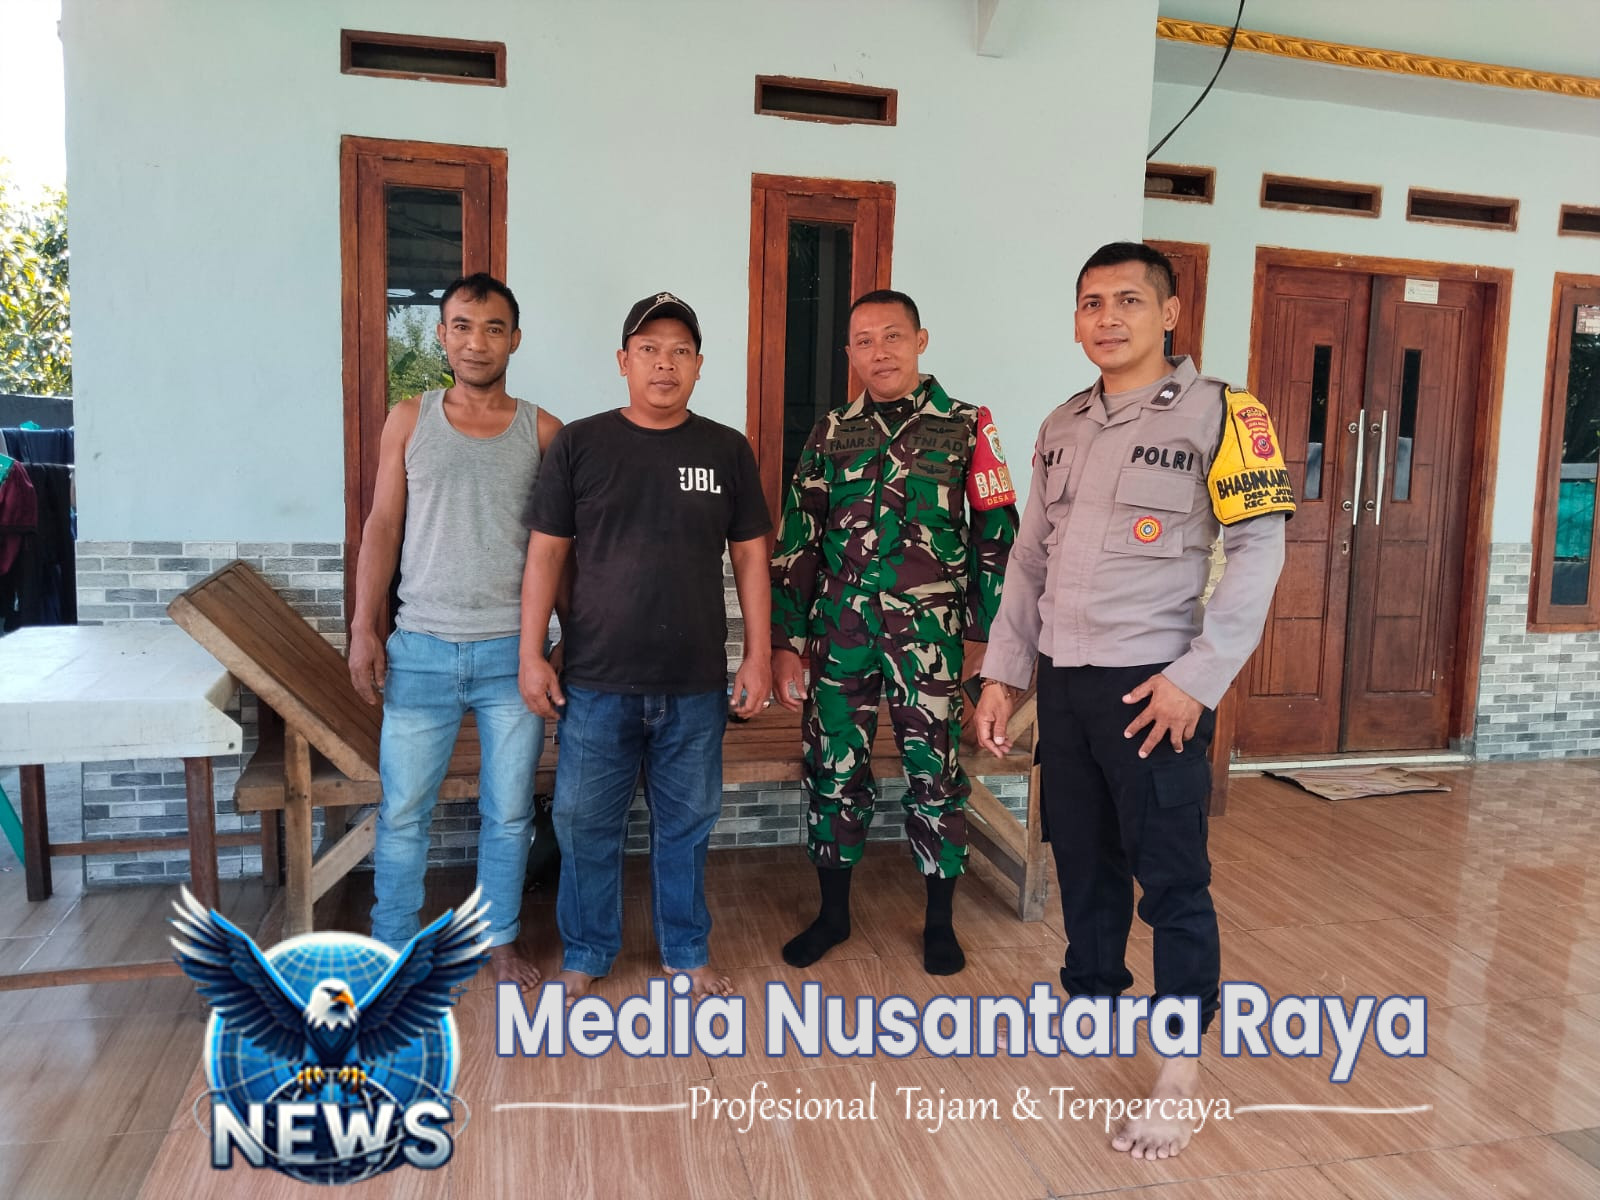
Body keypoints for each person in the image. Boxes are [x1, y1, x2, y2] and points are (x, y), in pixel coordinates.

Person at [974, 242, 1294, 1160]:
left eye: (1126, 300)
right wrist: (1003, 674)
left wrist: (1199, 678)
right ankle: (1097, 1009)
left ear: (1170, 313)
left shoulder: (1226, 414)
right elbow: (1028, 560)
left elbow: (1259, 552)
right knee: (1082, 862)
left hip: (1155, 685)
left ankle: (1180, 1070)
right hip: (1065, 684)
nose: (1106, 318)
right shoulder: (1062, 423)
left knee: (1173, 879)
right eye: (1090, 303)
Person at [520, 292, 772, 1001]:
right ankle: (586, 950)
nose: (665, 363)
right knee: (582, 823)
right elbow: (546, 553)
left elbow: (751, 556)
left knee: (686, 824)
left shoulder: (726, 449)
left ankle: (686, 951)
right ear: (624, 361)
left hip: (694, 682)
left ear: (699, 365)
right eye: (650, 350)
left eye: (680, 351)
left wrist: (757, 653)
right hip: (596, 680)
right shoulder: (581, 444)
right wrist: (532, 652)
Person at [771, 289, 1019, 976]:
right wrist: (787, 641)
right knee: (833, 770)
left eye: (892, 336)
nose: (878, 352)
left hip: (932, 638)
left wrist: (987, 636)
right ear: (849, 352)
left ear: (920, 340)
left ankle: (940, 921)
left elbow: (998, 537)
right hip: (839, 633)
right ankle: (833, 916)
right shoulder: (830, 431)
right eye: (863, 340)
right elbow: (799, 538)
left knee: (935, 774)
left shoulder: (967, 425)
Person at [349, 272, 563, 990]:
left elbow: (559, 548)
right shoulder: (409, 419)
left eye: (493, 328)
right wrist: (364, 627)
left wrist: (563, 641)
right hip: (420, 650)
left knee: (508, 812)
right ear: (442, 335)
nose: (477, 342)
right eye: (463, 327)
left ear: (515, 340)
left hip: (512, 653)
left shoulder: (544, 431)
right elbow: (383, 526)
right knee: (403, 812)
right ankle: (392, 947)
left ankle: (498, 941)